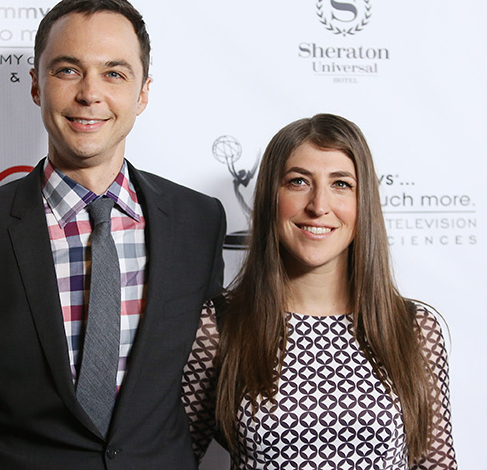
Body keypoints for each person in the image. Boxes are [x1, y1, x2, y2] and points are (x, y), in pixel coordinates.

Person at [0, 0, 226, 469]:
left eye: (114, 73)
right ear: (35, 85)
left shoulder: (199, 221)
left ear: (143, 93)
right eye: (68, 70)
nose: (90, 93)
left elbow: (201, 390)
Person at [182, 114, 457, 468]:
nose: (319, 206)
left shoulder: (414, 328)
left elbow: (436, 464)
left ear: (364, 202)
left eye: (341, 184)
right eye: (298, 181)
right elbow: (170, 455)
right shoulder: (219, 325)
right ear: (271, 196)